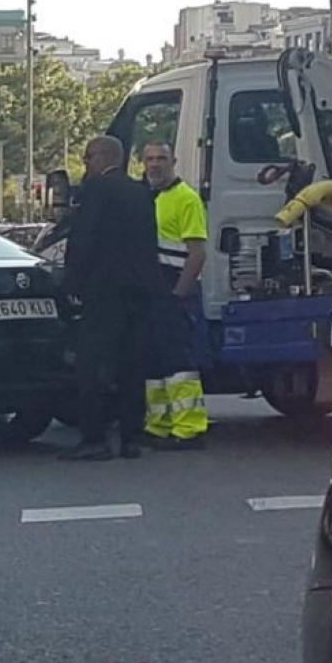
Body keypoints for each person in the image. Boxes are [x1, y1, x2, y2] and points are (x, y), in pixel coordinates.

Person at [60, 135, 163, 462]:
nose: (86, 165)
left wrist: (71, 283)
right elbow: (149, 245)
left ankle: (94, 439)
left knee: (91, 365)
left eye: (88, 157)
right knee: (131, 364)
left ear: (102, 157)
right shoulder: (140, 192)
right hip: (138, 290)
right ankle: (132, 437)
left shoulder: (94, 191)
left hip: (103, 291)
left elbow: (84, 240)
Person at [141, 142, 211, 450]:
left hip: (175, 289)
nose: (154, 164)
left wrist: (178, 294)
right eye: (149, 159)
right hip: (154, 291)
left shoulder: (186, 198)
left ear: (174, 161)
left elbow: (197, 253)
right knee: (156, 364)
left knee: (179, 362)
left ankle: (189, 428)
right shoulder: (148, 197)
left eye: (161, 159)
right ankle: (159, 425)